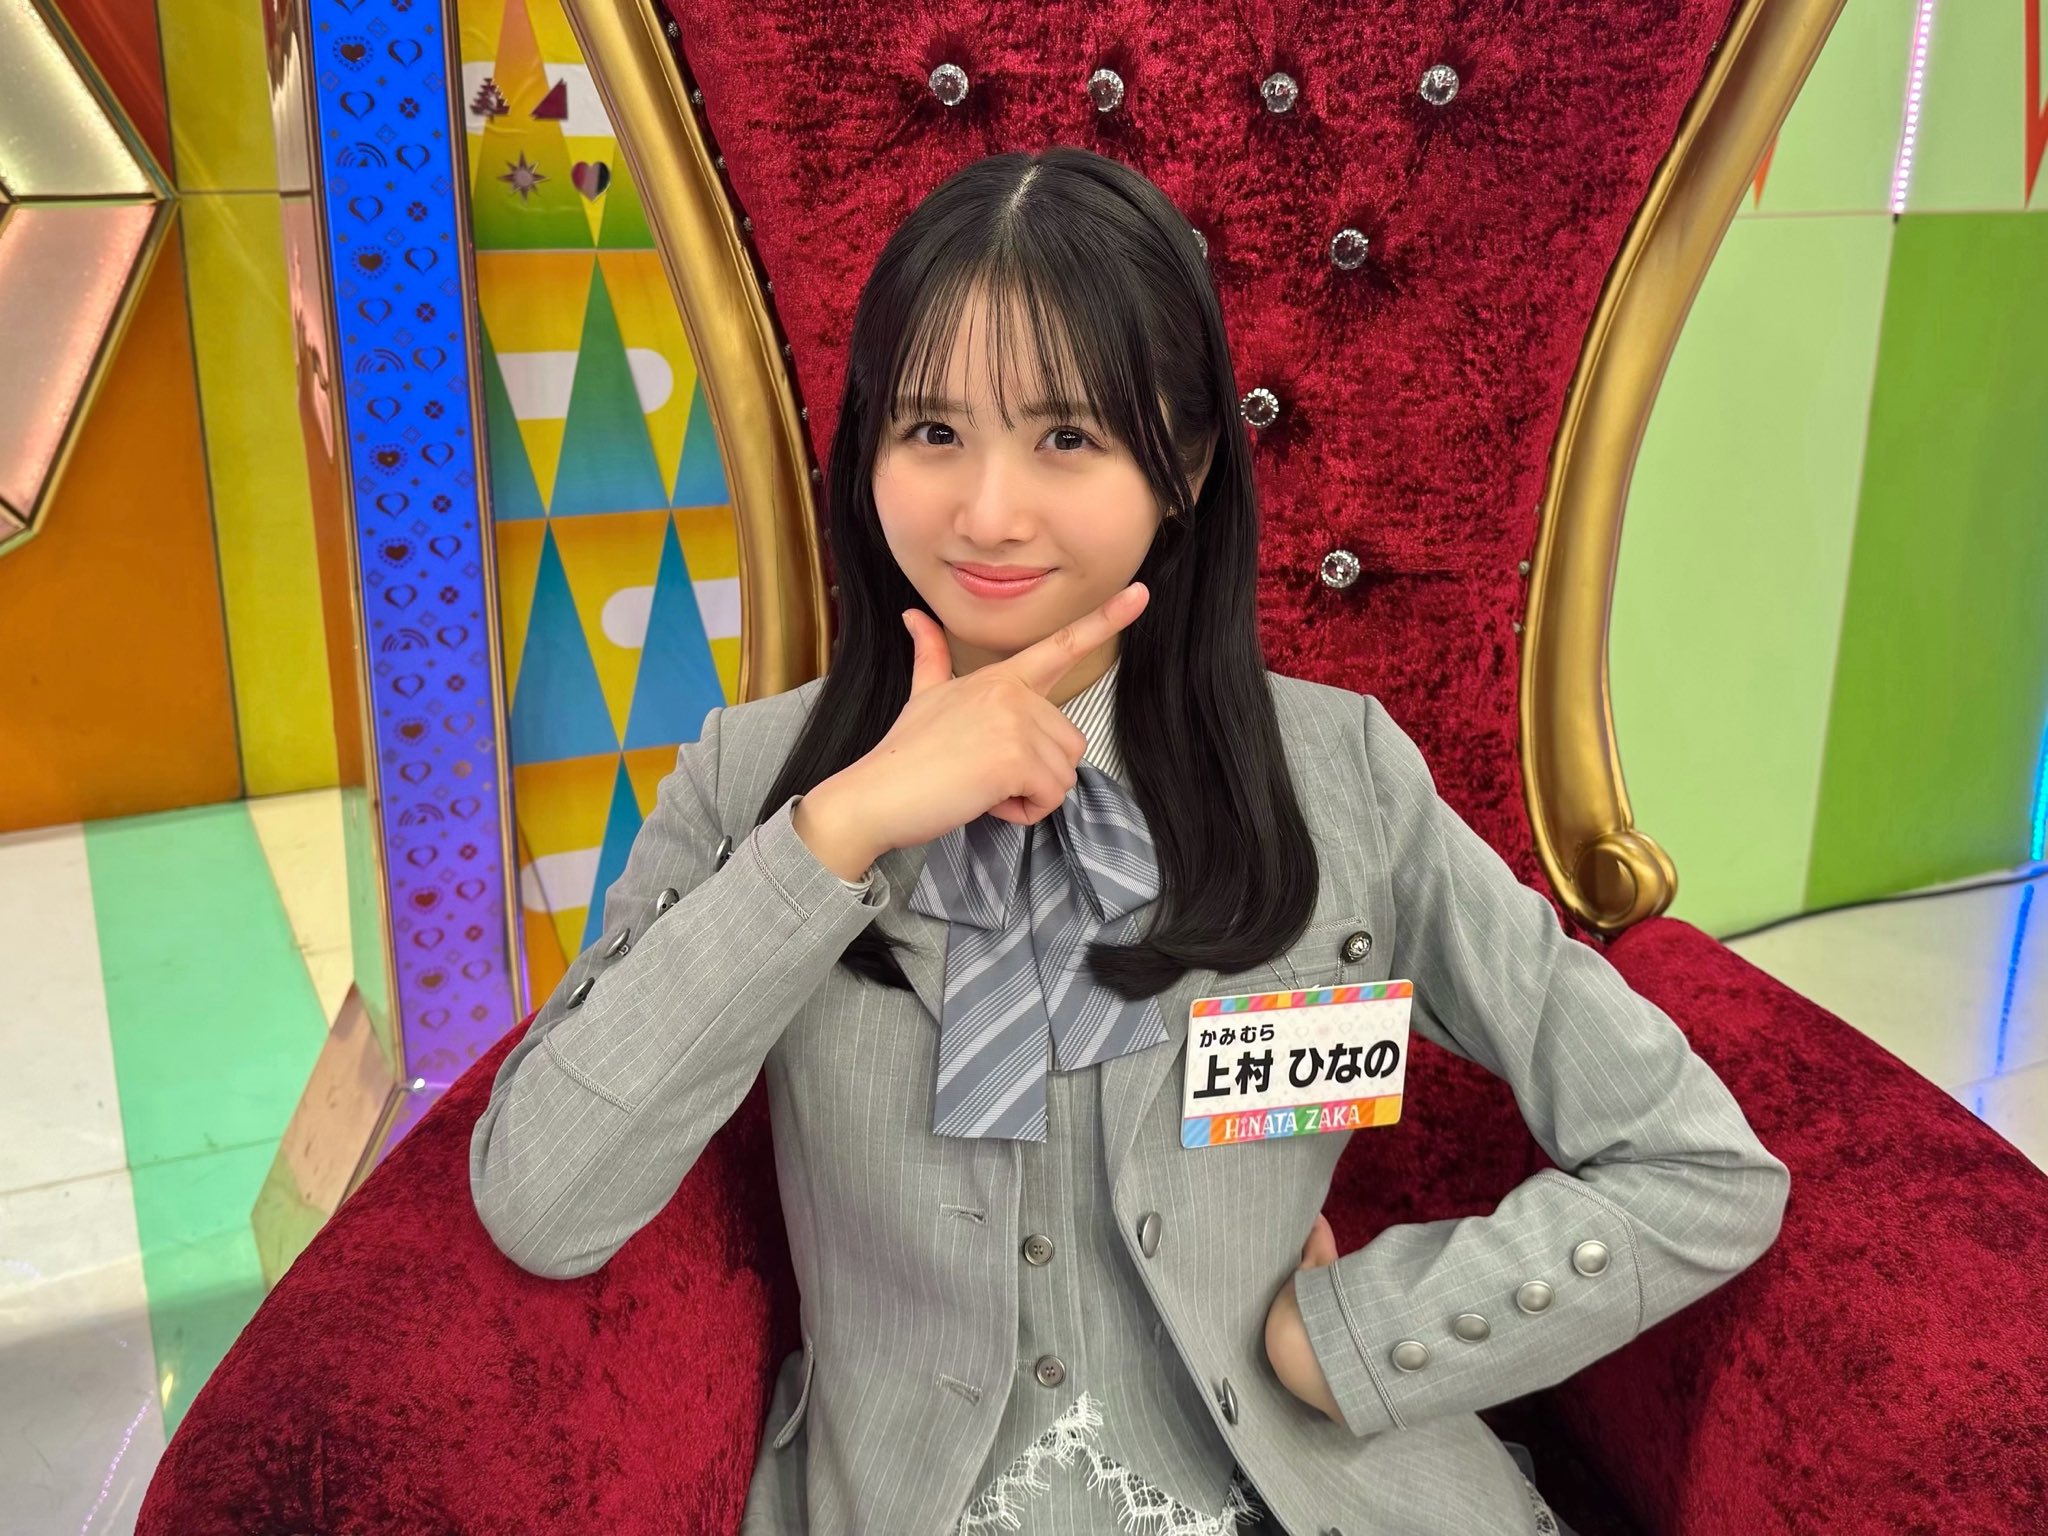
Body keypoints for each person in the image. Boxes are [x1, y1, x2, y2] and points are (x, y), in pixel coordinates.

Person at [469, 146, 1789, 1536]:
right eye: (931, 431)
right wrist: (841, 829)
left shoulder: (1340, 777)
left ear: (1188, 464)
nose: (988, 513)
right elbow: (543, 1202)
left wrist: (1370, 1338)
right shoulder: (755, 780)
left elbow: (1699, 1166)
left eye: (1068, 438)